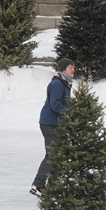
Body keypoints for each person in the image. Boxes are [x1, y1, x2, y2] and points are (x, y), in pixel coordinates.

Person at [30, 58, 76, 196]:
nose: (73, 70)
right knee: (53, 154)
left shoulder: (65, 83)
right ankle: (37, 185)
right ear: (63, 70)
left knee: (57, 154)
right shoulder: (57, 84)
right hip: (50, 123)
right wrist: (71, 111)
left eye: (74, 67)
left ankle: (52, 186)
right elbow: (55, 105)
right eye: (70, 67)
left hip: (56, 122)